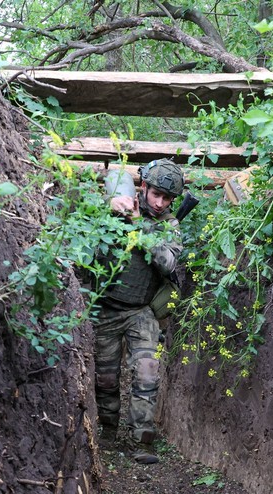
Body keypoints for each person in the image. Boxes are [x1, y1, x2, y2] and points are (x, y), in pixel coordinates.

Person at [94, 159, 184, 464]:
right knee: (105, 378)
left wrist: (138, 224)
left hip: (141, 311)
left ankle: (142, 441)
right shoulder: (116, 205)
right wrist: (108, 207)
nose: (160, 203)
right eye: (155, 194)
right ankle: (106, 433)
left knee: (147, 373)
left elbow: (168, 264)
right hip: (105, 308)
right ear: (142, 186)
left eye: (167, 198)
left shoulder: (169, 225)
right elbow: (83, 228)